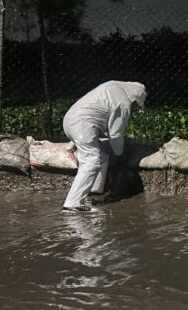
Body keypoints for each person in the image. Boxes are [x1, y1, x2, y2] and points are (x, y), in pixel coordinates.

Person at [62, 81, 147, 212]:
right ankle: (73, 203)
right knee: (92, 160)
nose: (134, 107)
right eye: (136, 104)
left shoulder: (113, 85)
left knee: (102, 156)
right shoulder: (123, 103)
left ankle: (94, 191)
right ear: (135, 97)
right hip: (82, 124)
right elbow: (115, 134)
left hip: (69, 120)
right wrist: (120, 153)